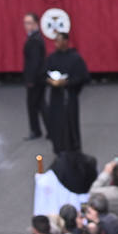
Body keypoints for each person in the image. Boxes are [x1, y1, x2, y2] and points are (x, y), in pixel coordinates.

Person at [43, 25, 89, 154]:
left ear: (65, 42)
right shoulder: (51, 58)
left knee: (70, 122)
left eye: (59, 40)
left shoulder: (75, 58)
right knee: (56, 122)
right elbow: (44, 73)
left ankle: (73, 148)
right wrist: (50, 81)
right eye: (55, 41)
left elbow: (83, 77)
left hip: (69, 95)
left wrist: (67, 82)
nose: (56, 44)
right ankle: (59, 148)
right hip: (56, 96)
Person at [21, 12, 47, 141]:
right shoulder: (35, 38)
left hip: (35, 78)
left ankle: (35, 130)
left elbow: (34, 61)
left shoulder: (35, 40)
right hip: (39, 77)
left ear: (36, 24)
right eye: (25, 23)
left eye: (29, 23)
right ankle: (50, 130)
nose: (26, 26)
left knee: (33, 105)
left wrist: (30, 79)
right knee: (41, 104)